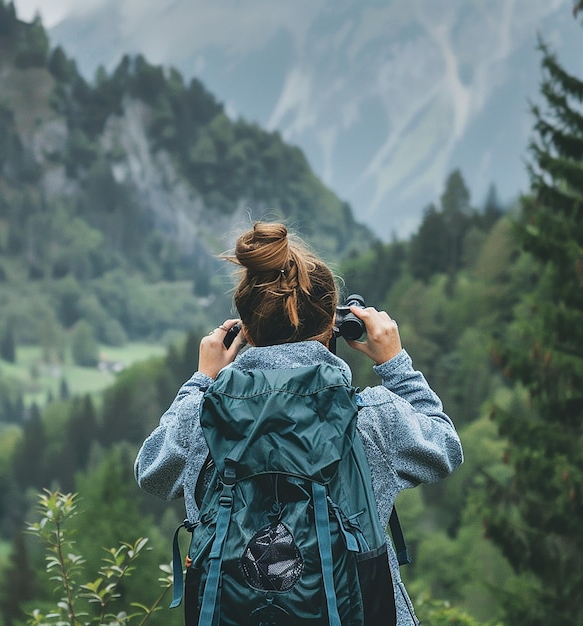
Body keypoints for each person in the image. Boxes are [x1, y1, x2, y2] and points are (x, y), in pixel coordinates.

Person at [134, 221, 464, 625]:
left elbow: (151, 471)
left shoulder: (204, 419)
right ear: (332, 326)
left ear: (246, 330)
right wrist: (396, 365)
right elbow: (446, 447)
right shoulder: (371, 417)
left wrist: (200, 382)